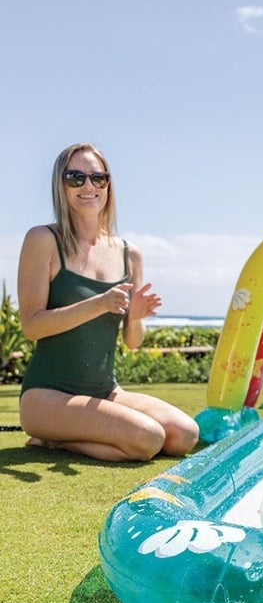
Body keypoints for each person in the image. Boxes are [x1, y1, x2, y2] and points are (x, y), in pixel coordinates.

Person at [16, 142, 199, 462]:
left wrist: (136, 317)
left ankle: (61, 440)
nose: (88, 186)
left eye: (97, 177)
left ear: (108, 184)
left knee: (184, 434)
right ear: (61, 185)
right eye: (75, 178)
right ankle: (53, 439)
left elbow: (132, 342)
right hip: (46, 396)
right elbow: (32, 326)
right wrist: (97, 305)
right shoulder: (43, 240)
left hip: (105, 391)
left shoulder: (130, 254)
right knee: (149, 438)